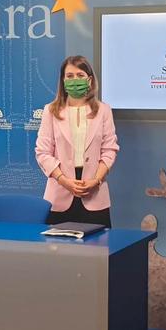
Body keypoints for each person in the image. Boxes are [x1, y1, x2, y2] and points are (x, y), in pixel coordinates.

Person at [35, 55, 119, 227]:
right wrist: (64, 181)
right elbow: (42, 153)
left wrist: (96, 180)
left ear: (89, 80)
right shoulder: (50, 111)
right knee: (59, 250)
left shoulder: (104, 110)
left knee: (98, 250)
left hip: (94, 192)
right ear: (63, 80)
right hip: (60, 192)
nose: (75, 80)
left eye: (80, 76)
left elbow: (109, 149)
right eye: (70, 76)